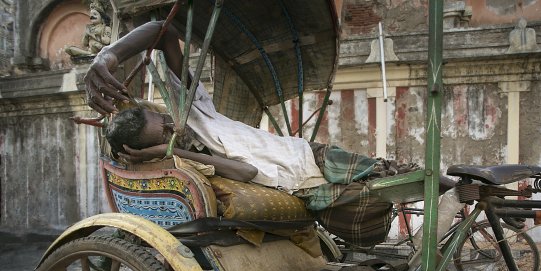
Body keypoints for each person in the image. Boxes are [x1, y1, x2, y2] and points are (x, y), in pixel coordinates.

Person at [85, 21, 418, 246]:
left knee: (391, 174)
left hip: (307, 154)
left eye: (165, 120)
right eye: (166, 133)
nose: (173, 127)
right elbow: (247, 172)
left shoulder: (194, 113)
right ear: (156, 147)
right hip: (297, 187)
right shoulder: (188, 163)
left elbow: (165, 30)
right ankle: (445, 199)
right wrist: (173, 155)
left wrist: (106, 56)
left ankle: (455, 192)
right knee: (371, 203)